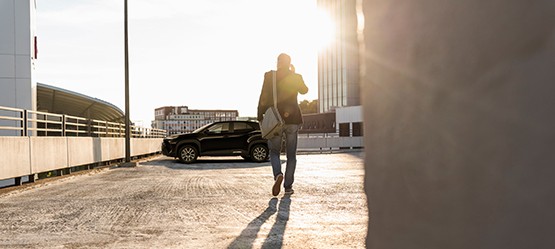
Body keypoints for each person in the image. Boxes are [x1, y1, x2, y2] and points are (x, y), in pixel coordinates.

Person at [257, 53, 308, 196]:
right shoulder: (295, 76)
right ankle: (288, 187)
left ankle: (278, 175)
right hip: (293, 120)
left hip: (275, 120)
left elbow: (263, 96)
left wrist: (260, 115)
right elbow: (304, 90)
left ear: (278, 62)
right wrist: (294, 72)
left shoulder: (269, 76)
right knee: (291, 155)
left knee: (274, 152)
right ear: (289, 62)